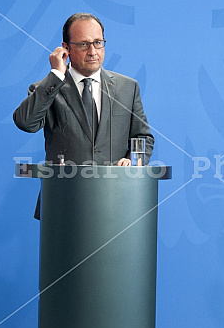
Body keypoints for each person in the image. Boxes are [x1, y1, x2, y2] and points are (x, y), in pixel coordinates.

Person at [14, 13, 154, 218]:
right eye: (83, 45)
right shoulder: (48, 88)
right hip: (63, 204)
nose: (93, 52)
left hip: (117, 204)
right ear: (66, 48)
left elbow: (143, 138)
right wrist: (56, 75)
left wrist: (131, 160)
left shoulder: (127, 88)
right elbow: (26, 122)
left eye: (98, 43)